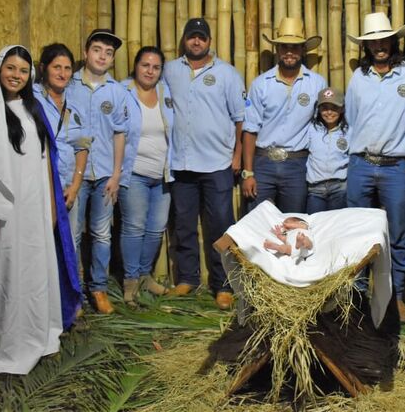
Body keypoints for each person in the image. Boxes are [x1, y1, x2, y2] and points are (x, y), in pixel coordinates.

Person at [0, 45, 82, 375]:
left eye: (22, 71)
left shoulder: (32, 108)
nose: (16, 75)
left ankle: (40, 334)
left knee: (37, 272)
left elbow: (44, 163)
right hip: (6, 214)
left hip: (35, 210)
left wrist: (51, 206)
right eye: (11, 68)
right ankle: (7, 348)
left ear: (30, 76)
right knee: (8, 276)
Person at [163, 18, 245, 308]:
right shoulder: (169, 70)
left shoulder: (228, 74)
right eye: (191, 37)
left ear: (209, 41)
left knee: (220, 226)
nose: (196, 42)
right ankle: (187, 279)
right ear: (185, 39)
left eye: (201, 37)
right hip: (181, 163)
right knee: (183, 225)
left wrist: (236, 156)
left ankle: (224, 285)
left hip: (217, 164)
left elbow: (239, 119)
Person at [345, 12, 405, 322]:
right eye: (373, 41)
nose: (379, 45)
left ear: (394, 41)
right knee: (357, 232)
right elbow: (350, 117)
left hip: (396, 167)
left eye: (384, 39)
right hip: (361, 164)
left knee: (398, 233)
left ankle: (397, 297)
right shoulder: (357, 78)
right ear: (367, 46)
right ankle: (359, 294)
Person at [68, 29, 130, 314]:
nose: (102, 56)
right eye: (97, 49)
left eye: (108, 52)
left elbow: (120, 134)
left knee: (102, 234)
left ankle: (99, 289)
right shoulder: (68, 86)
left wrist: (117, 175)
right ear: (85, 52)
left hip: (104, 173)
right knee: (74, 234)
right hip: (73, 176)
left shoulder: (117, 92)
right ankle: (73, 291)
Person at [242, 17, 327, 214]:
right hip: (263, 163)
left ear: (303, 50)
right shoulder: (261, 84)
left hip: (297, 165)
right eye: (284, 47)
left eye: (295, 47)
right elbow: (250, 130)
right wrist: (248, 173)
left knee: (294, 223)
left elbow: (321, 127)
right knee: (256, 223)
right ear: (277, 50)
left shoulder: (317, 84)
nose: (289, 52)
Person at [119, 46, 174, 304]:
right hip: (135, 173)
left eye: (155, 67)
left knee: (155, 229)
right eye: (145, 65)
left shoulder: (165, 92)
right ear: (136, 66)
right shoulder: (122, 91)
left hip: (162, 174)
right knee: (134, 227)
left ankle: (144, 275)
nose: (150, 71)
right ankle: (130, 282)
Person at [33, 44, 90, 246]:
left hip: (67, 186)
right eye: (57, 67)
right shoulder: (31, 98)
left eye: (67, 68)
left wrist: (75, 186)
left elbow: (82, 146)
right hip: (39, 186)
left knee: (69, 243)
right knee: (41, 243)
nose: (62, 73)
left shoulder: (75, 103)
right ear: (44, 68)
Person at [305, 87, 349, 214]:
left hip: (340, 188)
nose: (329, 112)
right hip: (315, 190)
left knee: (337, 227)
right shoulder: (311, 129)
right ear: (318, 109)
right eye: (324, 108)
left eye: (334, 108)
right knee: (315, 226)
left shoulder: (348, 131)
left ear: (342, 109)